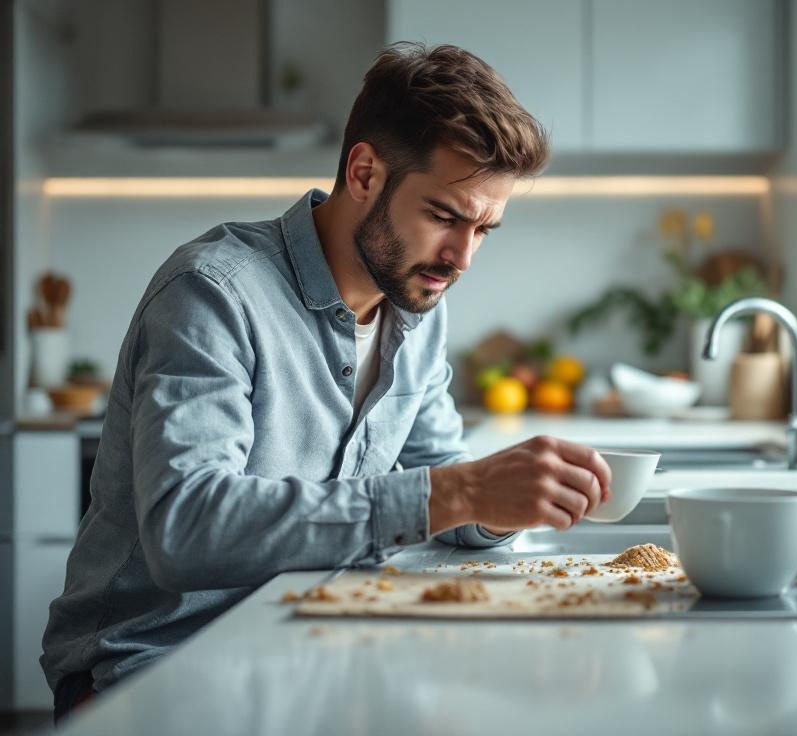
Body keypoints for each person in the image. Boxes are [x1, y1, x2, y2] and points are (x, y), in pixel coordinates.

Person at [41, 42, 612, 721]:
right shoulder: (213, 293)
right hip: (158, 671)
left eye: (485, 229)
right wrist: (458, 491)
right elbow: (186, 527)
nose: (461, 257)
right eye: (444, 216)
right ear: (365, 172)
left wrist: (502, 502)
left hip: (312, 649)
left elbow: (441, 477)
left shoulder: (417, 300)